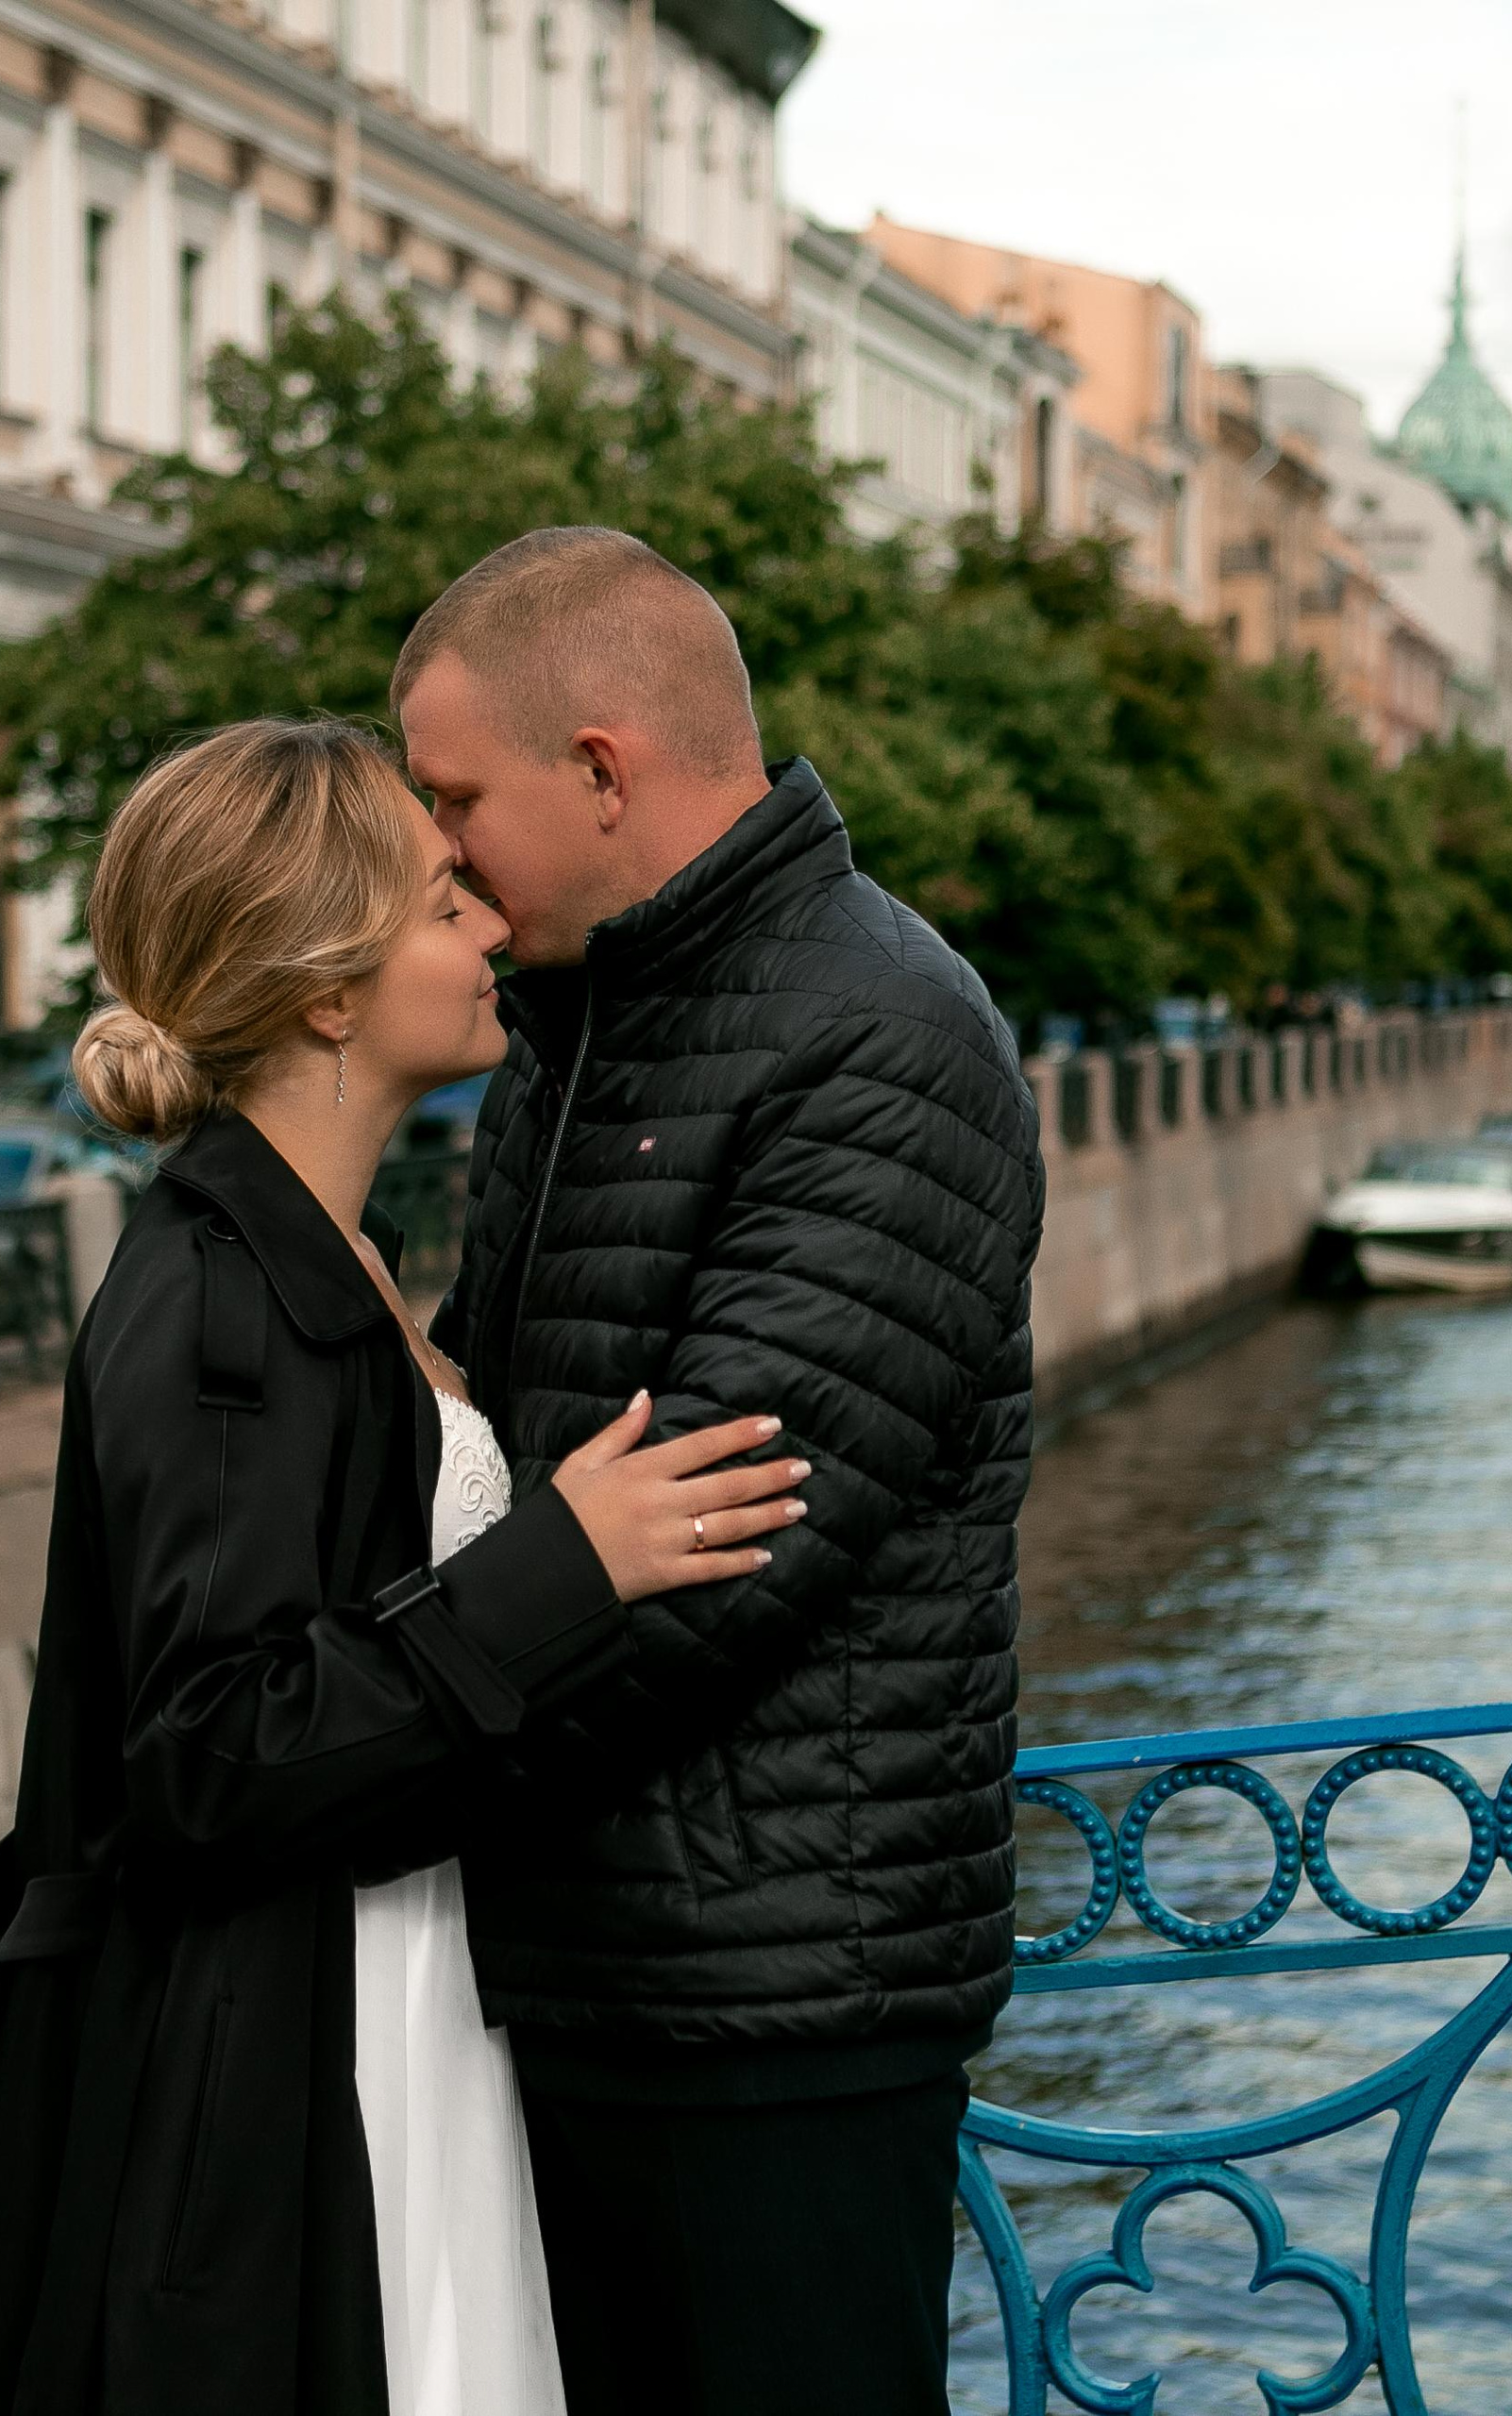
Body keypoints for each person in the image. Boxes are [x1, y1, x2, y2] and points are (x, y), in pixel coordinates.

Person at [0, 719, 811, 2416]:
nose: (483, 927)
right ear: (326, 992)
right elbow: (209, 1753)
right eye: (439, 901)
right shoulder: (213, 1303)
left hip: (408, 1997)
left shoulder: (319, 1260)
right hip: (300, 2057)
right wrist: (565, 1566)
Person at [395, 528, 1047, 2416]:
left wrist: (375, 1742)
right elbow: (513, 1467)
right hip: (588, 1957)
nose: (437, 849)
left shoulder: (885, 1028)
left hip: (774, 1995)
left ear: (599, 770)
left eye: (457, 797)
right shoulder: (578, 1020)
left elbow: (710, 1554)